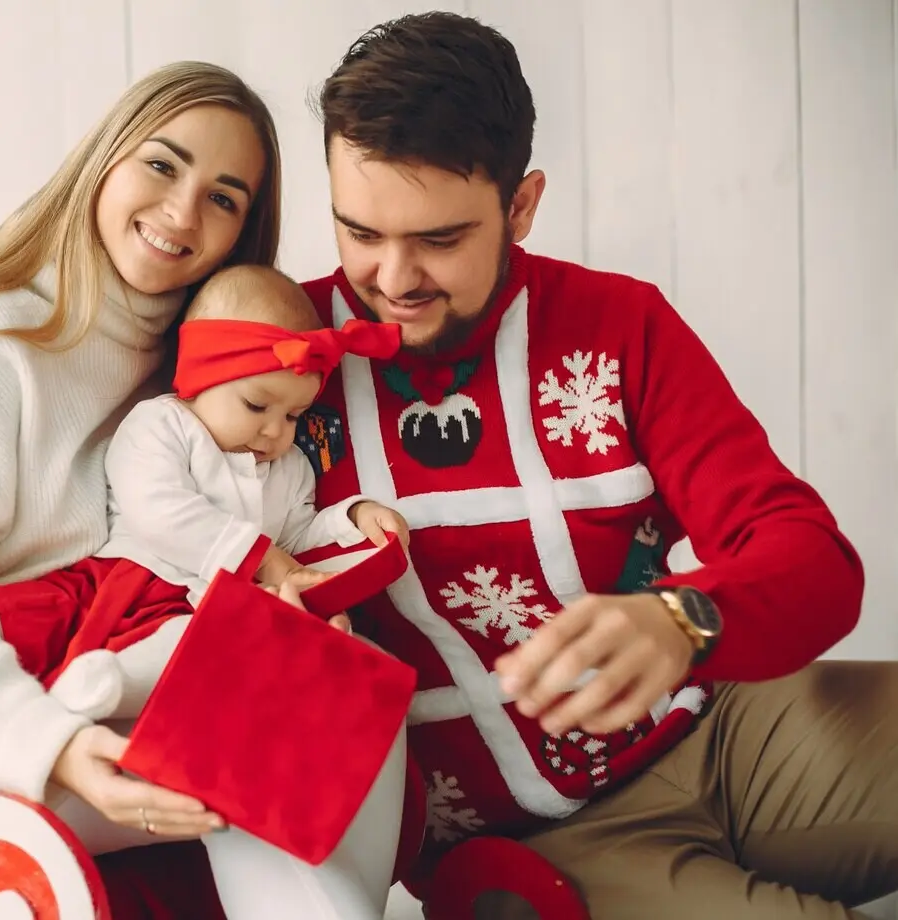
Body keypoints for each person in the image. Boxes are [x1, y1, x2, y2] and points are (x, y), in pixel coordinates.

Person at [0, 61, 407, 919]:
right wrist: (51, 743)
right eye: (162, 165)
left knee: (351, 693)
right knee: (294, 726)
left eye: (224, 198)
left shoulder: (188, 376)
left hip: (83, 695)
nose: (182, 213)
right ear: (104, 160)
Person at [293, 11, 898, 919]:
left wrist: (683, 620)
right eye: (360, 232)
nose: (393, 276)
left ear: (522, 205)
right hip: (537, 841)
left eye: (440, 239)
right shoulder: (282, 366)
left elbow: (813, 561)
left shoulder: (619, 325)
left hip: (733, 729)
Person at [0, 263, 412, 799]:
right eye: (257, 406)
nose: (274, 433)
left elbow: (298, 534)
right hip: (111, 576)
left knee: (193, 653)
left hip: (186, 608)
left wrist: (353, 517)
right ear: (201, 379)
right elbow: (159, 508)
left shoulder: (286, 470)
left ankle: (104, 685)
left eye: (292, 417)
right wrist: (259, 558)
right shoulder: (162, 425)